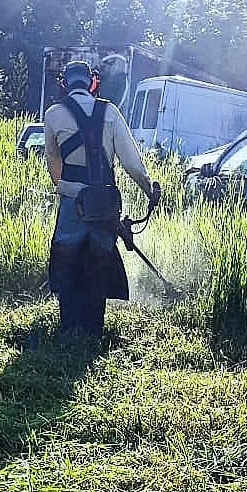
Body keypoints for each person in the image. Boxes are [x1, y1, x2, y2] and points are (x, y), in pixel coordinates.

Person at [44, 60, 160, 336]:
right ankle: (94, 328)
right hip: (105, 203)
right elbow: (131, 163)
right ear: (92, 83)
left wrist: (64, 187)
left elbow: (52, 157)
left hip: (73, 201)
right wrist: (149, 190)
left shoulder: (53, 114)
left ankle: (69, 327)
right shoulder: (111, 113)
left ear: (64, 84)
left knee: (67, 258)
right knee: (99, 261)